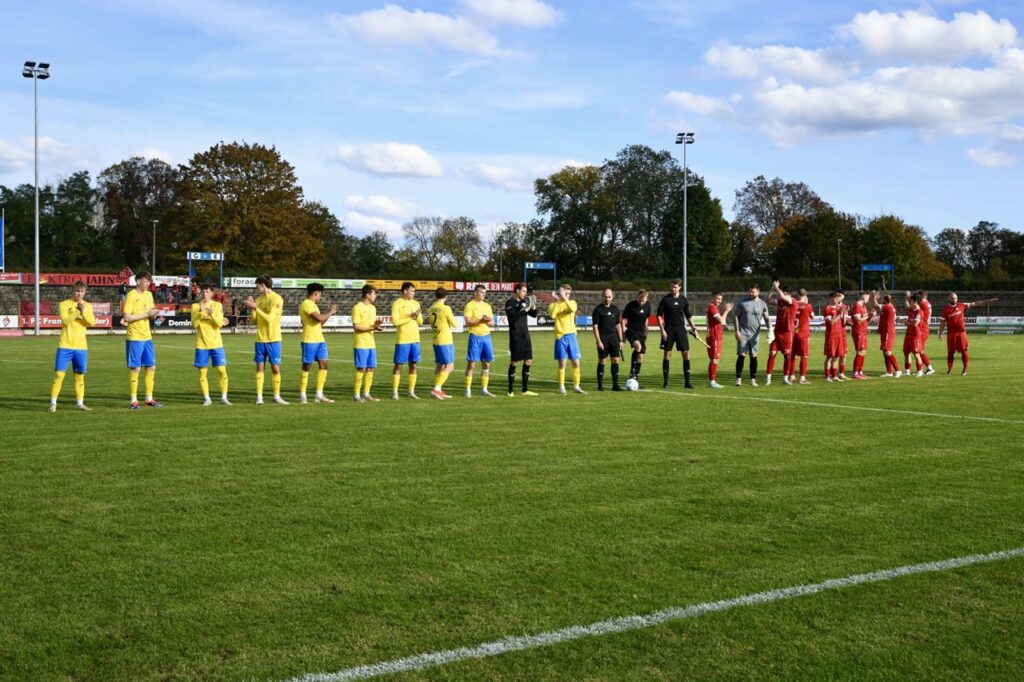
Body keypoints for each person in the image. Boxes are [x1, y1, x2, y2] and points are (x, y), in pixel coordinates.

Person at [49, 281, 96, 412]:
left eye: (82, 291)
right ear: (72, 291)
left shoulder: (88, 306)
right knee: (59, 374)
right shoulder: (64, 304)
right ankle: (53, 403)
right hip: (65, 345)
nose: (79, 294)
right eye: (77, 291)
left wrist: (84, 311)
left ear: (85, 292)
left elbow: (92, 322)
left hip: (81, 347)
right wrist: (77, 311)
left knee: (79, 375)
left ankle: (80, 403)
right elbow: (65, 321)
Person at [122, 271, 163, 409]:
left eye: (149, 281)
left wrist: (155, 315)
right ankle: (133, 400)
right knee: (136, 368)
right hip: (135, 337)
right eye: (145, 281)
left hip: (147, 337)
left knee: (151, 367)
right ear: (138, 281)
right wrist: (147, 314)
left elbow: (150, 313)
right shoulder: (131, 295)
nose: (148, 283)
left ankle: (149, 398)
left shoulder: (149, 295)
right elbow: (127, 317)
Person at [245, 275, 288, 405]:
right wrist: (252, 309)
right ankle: (259, 397)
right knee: (260, 367)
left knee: (275, 368)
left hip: (274, 339)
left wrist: (255, 308)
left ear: (263, 285)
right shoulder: (259, 299)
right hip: (260, 339)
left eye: (257, 285)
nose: (256, 288)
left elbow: (270, 319)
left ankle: (277, 396)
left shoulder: (277, 299)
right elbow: (254, 321)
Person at [191, 282, 231, 406]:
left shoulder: (217, 305)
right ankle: (207, 398)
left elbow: (219, 323)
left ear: (212, 293)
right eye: (202, 291)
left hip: (216, 344)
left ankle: (224, 397)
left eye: (207, 291)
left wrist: (211, 313)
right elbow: (194, 324)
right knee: (202, 372)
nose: (204, 294)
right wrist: (202, 312)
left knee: (222, 370)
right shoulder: (195, 306)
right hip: (201, 344)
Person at [938, 293, 997, 375]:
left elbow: (975, 303)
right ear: (949, 299)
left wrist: (988, 301)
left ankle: (965, 369)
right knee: (950, 352)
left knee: (964, 351)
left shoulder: (962, 305)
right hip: (951, 334)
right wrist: (940, 333)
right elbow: (942, 323)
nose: (954, 300)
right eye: (952, 298)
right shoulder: (945, 310)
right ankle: (950, 370)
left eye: (955, 298)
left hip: (961, 332)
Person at [657, 278, 700, 389]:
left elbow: (688, 315)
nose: (673, 289)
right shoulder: (665, 300)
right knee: (667, 354)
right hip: (668, 330)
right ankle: (665, 382)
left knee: (686, 353)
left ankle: (687, 382)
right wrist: (662, 330)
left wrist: (694, 328)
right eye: (671, 287)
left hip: (681, 329)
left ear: (679, 287)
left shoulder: (683, 300)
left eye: (675, 287)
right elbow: (659, 316)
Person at [298, 282, 337, 404]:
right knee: (307, 366)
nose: (320, 297)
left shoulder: (314, 305)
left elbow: (320, 322)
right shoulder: (306, 304)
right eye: (320, 294)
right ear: (316, 293)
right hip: (309, 339)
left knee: (324, 364)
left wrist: (329, 314)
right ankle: (302, 394)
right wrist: (330, 311)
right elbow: (319, 318)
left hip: (320, 339)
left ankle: (319, 395)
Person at [548, 283, 586, 394]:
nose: (567, 295)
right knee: (562, 363)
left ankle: (576, 386)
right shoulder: (553, 305)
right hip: (560, 336)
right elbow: (553, 315)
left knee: (576, 362)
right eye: (565, 293)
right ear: (561, 293)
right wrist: (557, 300)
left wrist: (564, 297)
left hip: (572, 336)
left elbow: (573, 308)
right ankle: (561, 387)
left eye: (568, 293)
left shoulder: (572, 302)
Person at [505, 283, 538, 396]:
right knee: (514, 362)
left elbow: (534, 315)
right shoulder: (510, 303)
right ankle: (510, 391)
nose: (525, 293)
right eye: (523, 291)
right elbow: (513, 318)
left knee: (528, 360)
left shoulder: (524, 303)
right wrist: (525, 309)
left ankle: (524, 389)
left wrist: (533, 306)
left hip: (525, 336)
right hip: (516, 336)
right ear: (517, 291)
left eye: (526, 291)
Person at [391, 282, 423, 400]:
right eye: (412, 291)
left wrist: (416, 316)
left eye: (414, 291)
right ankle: (395, 391)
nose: (413, 293)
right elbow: (395, 321)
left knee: (413, 365)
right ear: (405, 291)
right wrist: (410, 317)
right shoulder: (397, 304)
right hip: (403, 339)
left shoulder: (416, 303)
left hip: (415, 339)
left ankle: (411, 391)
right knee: (399, 365)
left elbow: (420, 322)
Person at [733, 283, 770, 386]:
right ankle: (738, 379)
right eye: (749, 291)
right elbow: (736, 316)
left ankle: (753, 380)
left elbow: (767, 318)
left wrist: (770, 330)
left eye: (753, 291)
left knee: (753, 356)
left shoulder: (762, 304)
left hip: (755, 335)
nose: (750, 293)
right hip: (743, 333)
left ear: (758, 292)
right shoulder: (742, 302)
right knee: (741, 355)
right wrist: (737, 331)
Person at [464, 284, 496, 397]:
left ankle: (484, 389)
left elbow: (492, 323)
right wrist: (480, 320)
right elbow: (468, 322)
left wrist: (486, 321)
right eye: (482, 292)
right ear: (475, 293)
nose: (484, 295)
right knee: (472, 363)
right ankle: (467, 389)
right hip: (475, 336)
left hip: (486, 336)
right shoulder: (469, 305)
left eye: (484, 293)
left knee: (486, 363)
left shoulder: (487, 306)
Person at [352, 284, 382, 402]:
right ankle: (356, 395)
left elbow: (370, 324)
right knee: (361, 369)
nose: (375, 296)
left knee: (370, 368)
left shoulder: (373, 308)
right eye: (374, 293)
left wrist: (376, 325)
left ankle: (366, 394)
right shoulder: (357, 308)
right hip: (361, 343)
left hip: (371, 343)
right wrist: (373, 328)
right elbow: (357, 327)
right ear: (367, 294)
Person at [764, 281, 796, 385]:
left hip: (787, 332)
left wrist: (777, 288)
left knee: (787, 355)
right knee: (772, 353)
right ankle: (768, 378)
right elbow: (767, 299)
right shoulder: (780, 301)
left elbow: (783, 297)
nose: (779, 294)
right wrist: (772, 289)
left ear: (786, 292)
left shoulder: (792, 301)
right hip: (777, 331)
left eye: (782, 292)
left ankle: (785, 378)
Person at [428, 287, 457, 400]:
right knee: (450, 366)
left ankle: (438, 390)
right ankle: (437, 388)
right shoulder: (446, 308)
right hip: (445, 340)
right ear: (446, 296)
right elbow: (454, 323)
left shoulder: (431, 308)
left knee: (440, 365)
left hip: (436, 338)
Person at [592, 288, 623, 391]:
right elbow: (595, 327)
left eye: (609, 297)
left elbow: (618, 326)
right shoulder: (598, 310)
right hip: (603, 338)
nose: (607, 299)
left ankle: (615, 385)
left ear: (612, 297)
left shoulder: (615, 309)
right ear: (602, 296)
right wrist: (598, 341)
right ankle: (600, 385)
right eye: (606, 297)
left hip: (614, 339)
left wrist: (621, 340)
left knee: (615, 360)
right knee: (602, 361)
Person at [621, 289, 651, 383]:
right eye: (640, 300)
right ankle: (632, 372)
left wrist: (646, 330)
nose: (642, 302)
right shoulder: (631, 305)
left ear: (646, 298)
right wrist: (623, 331)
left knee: (640, 357)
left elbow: (646, 319)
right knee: (638, 346)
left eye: (644, 300)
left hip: (641, 332)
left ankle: (635, 379)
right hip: (631, 331)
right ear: (638, 297)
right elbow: (623, 319)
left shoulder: (648, 305)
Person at [705, 291, 732, 389]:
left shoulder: (714, 308)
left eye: (720, 299)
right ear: (712, 298)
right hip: (714, 337)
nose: (719, 301)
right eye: (717, 298)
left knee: (715, 359)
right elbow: (721, 320)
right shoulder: (712, 307)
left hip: (717, 336)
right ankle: (712, 382)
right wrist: (726, 311)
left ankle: (712, 381)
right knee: (714, 359)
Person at [908, 290, 935, 374]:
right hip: (924, 328)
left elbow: (910, 307)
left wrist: (907, 297)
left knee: (919, 350)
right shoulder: (926, 302)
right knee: (918, 350)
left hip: (922, 329)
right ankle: (921, 369)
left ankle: (929, 368)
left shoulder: (922, 303)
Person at [874, 292, 901, 378]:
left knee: (887, 351)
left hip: (888, 332)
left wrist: (874, 297)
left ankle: (898, 370)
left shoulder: (888, 307)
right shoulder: (887, 308)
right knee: (885, 352)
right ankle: (889, 372)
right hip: (884, 331)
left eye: (883, 300)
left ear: (885, 300)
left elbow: (876, 305)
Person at [823, 291, 848, 382]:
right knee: (829, 356)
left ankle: (834, 376)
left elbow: (843, 322)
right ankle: (827, 376)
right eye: (834, 298)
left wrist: (844, 316)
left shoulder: (840, 308)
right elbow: (831, 322)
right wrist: (838, 315)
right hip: (831, 336)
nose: (836, 299)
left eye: (837, 298)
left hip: (839, 335)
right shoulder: (828, 309)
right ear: (830, 298)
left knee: (837, 356)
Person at [792, 289, 815, 384]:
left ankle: (791, 375)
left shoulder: (793, 304)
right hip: (803, 334)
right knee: (804, 356)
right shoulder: (808, 306)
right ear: (806, 296)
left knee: (793, 356)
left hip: (793, 333)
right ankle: (802, 378)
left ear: (797, 295)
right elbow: (813, 316)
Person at [849, 291, 873, 379]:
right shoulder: (857, 306)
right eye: (868, 297)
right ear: (863, 296)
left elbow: (865, 319)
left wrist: (871, 316)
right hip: (858, 331)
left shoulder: (863, 307)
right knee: (860, 351)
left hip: (863, 331)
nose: (868, 299)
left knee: (863, 352)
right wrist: (868, 316)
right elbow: (858, 320)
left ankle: (860, 372)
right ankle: (855, 373)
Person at [902, 294, 926, 377]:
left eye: (910, 301)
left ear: (915, 302)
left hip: (915, 335)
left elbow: (915, 324)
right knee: (906, 352)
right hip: (908, 334)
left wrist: (905, 322)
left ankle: (920, 371)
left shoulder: (919, 312)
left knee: (916, 354)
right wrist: (902, 321)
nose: (909, 302)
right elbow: (909, 322)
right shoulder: (911, 310)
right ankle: (907, 371)